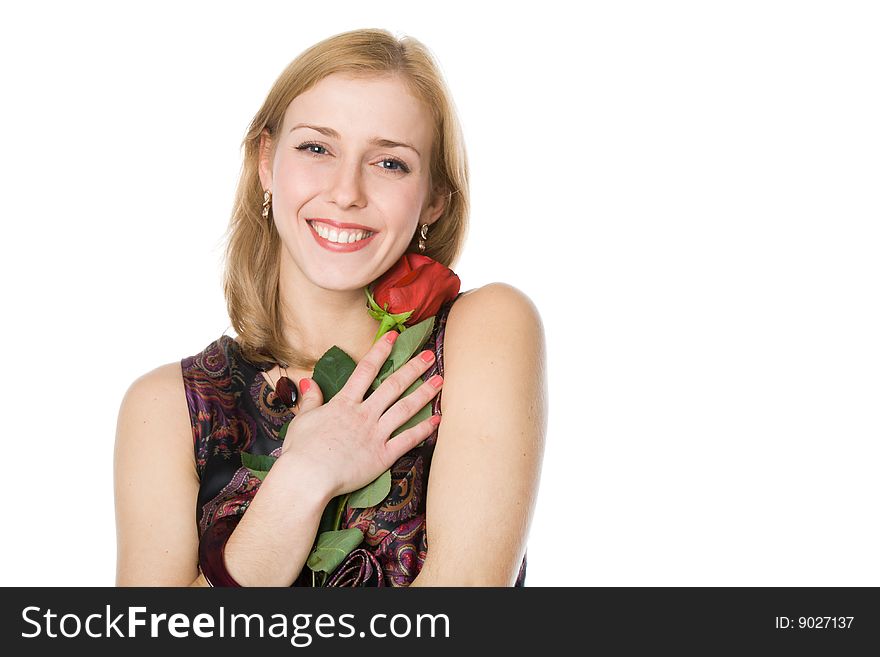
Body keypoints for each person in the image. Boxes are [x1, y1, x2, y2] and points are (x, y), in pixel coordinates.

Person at [114, 28, 546, 587]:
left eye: (390, 163)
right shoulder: (168, 407)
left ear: (435, 198)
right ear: (266, 162)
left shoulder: (485, 334)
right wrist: (302, 478)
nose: (346, 191)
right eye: (317, 148)